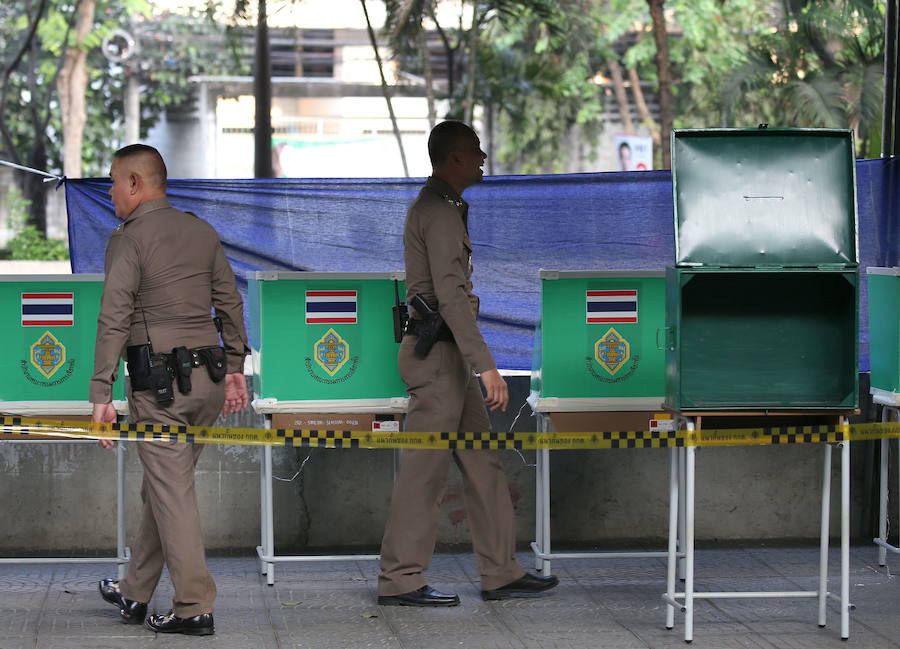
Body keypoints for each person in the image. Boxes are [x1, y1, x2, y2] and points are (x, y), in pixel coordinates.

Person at [377, 121, 558, 607]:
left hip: (448, 357)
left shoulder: (449, 206)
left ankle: (500, 572)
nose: (482, 159)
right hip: (437, 358)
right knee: (425, 473)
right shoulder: (437, 212)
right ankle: (401, 579)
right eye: (474, 152)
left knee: (482, 463)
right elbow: (451, 299)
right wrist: (488, 367)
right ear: (452, 159)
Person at [90, 144, 250, 636]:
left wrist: (101, 393)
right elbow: (228, 300)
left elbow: (114, 315)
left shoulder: (130, 237)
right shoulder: (200, 231)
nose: (112, 190)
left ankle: (193, 607)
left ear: (136, 184)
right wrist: (238, 365)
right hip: (208, 385)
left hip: (161, 391)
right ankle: (135, 591)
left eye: (115, 180)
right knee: (163, 488)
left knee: (172, 494)